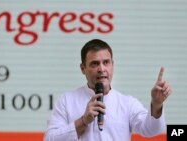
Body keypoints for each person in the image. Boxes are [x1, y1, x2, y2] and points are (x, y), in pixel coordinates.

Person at [44, 39, 172, 141]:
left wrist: (156, 104)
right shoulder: (67, 100)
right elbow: (50, 139)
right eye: (94, 64)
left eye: (106, 62)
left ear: (112, 65)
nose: (101, 69)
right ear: (83, 68)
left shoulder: (126, 103)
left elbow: (151, 130)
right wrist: (83, 121)